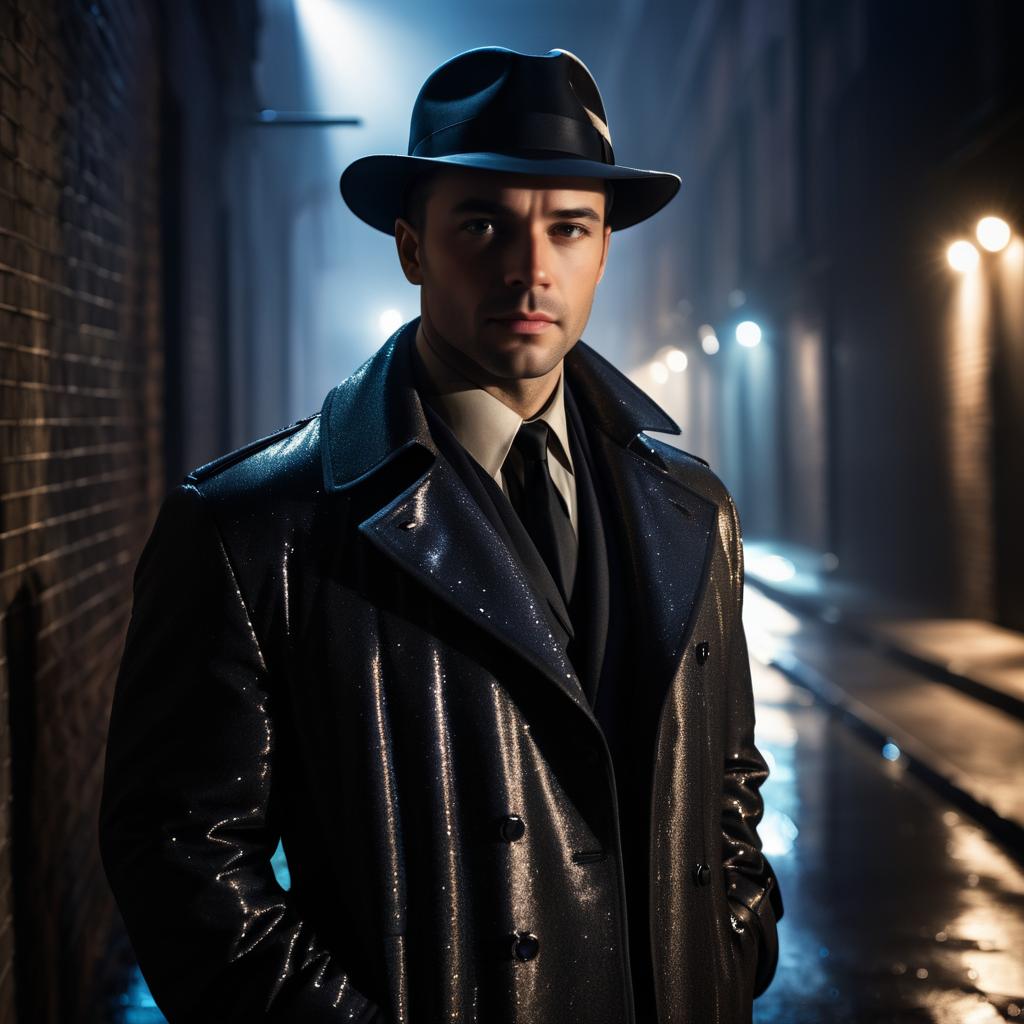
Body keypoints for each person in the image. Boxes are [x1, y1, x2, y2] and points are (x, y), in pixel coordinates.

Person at [99, 45, 784, 1024]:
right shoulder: (256, 527)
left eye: (569, 227)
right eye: (483, 223)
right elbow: (180, 852)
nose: (530, 267)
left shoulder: (692, 507)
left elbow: (729, 778)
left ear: (601, 250)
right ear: (412, 245)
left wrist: (733, 942)